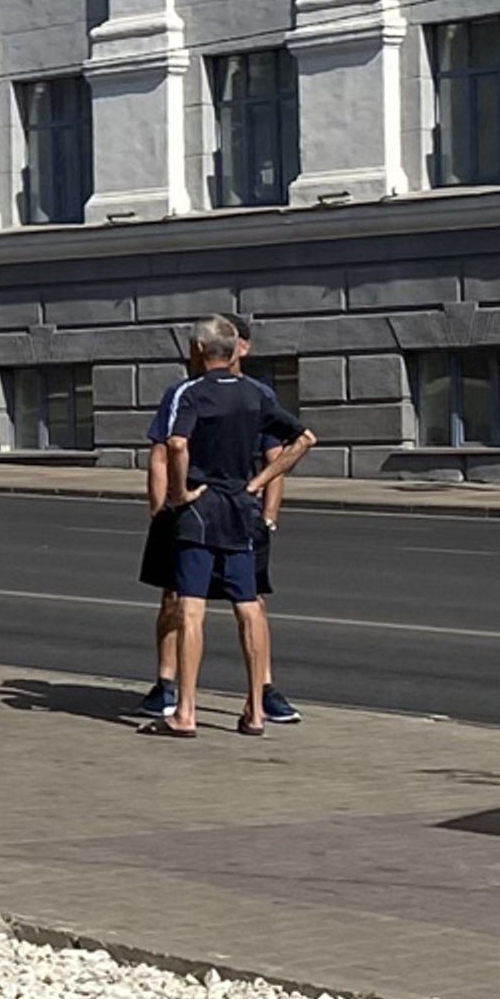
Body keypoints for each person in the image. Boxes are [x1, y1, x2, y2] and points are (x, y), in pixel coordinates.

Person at [144, 314, 312, 738]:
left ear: (200, 350)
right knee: (249, 604)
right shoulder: (256, 394)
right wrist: (257, 484)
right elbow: (304, 440)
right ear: (236, 348)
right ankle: (255, 711)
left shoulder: (190, 392)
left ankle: (185, 712)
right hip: (242, 509)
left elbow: (176, 445)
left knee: (191, 607)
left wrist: (179, 494)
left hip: (200, 512)